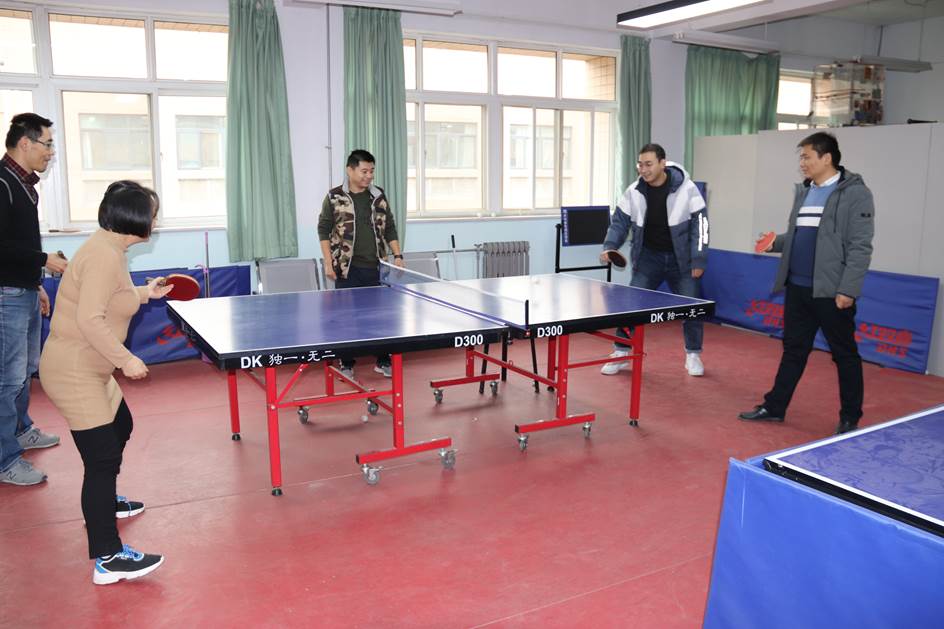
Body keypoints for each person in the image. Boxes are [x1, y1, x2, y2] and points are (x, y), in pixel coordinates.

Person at [39, 181, 172, 584]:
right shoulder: (102, 255)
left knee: (120, 426)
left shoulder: (110, 248)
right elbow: (90, 319)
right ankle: (108, 558)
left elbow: (110, 297)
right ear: (135, 218)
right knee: (100, 461)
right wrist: (126, 360)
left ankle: (106, 502)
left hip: (91, 369)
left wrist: (144, 293)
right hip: (74, 370)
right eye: (152, 214)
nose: (155, 220)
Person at [739, 132, 874, 435]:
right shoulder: (805, 191)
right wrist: (775, 242)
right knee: (794, 350)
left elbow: (860, 246)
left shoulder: (855, 193)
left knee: (844, 354)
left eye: (806, 157)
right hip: (798, 287)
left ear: (827, 158)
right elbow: (802, 234)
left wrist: (848, 289)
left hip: (831, 291)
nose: (802, 163)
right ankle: (775, 407)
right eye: (801, 157)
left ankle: (850, 417)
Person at [599, 143, 709, 377]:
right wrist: (610, 246)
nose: (643, 169)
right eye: (640, 164)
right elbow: (619, 223)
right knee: (630, 306)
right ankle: (621, 352)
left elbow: (701, 226)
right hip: (649, 258)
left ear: (662, 163)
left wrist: (699, 259)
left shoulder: (687, 189)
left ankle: (693, 354)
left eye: (648, 164)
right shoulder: (634, 191)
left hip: (682, 260)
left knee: (692, 308)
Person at [0, 113, 67, 487]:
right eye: (48, 143)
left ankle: (21, 430)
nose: (51, 152)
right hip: (5, 295)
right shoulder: (2, 183)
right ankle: (5, 460)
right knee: (7, 379)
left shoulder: (24, 185)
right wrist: (44, 260)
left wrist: (35, 282)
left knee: (24, 370)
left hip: (22, 288)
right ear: (25, 143)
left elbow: (18, 244)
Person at [318, 149, 404, 378]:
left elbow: (389, 226)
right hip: (347, 268)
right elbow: (323, 230)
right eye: (364, 171)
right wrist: (328, 262)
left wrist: (397, 255)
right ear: (350, 170)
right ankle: (347, 363)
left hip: (377, 267)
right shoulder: (334, 197)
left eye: (371, 171)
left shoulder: (378, 195)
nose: (369, 176)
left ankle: (382, 360)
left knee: (380, 317)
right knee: (346, 317)